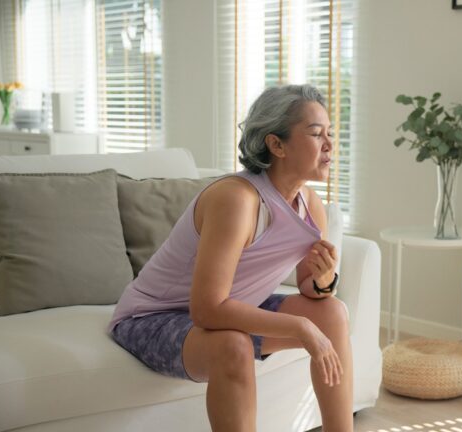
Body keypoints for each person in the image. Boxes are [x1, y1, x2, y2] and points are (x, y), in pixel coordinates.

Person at [108, 84, 353, 432]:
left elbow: (308, 287)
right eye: (316, 134)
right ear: (277, 144)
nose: (329, 144)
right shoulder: (237, 199)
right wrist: (301, 327)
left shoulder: (310, 205)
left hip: (231, 309)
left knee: (333, 312)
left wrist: (325, 280)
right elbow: (207, 309)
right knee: (234, 346)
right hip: (152, 318)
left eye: (331, 133)